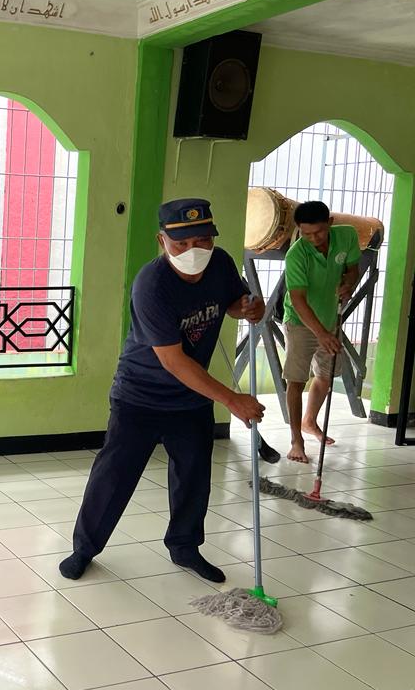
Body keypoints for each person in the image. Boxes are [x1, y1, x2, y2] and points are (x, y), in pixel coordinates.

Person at [59, 198, 265, 583]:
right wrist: (231, 400)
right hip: (140, 397)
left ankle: (185, 547)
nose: (193, 251)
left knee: (193, 477)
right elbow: (173, 360)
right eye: (181, 243)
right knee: (114, 476)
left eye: (202, 240)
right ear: (162, 240)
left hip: (190, 399)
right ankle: (84, 549)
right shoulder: (152, 285)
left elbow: (234, 302)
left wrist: (250, 307)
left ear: (213, 238)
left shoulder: (220, 264)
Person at [282, 200, 359, 463]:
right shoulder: (296, 255)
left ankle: (310, 421)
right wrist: (322, 334)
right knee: (296, 380)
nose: (314, 238)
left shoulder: (347, 235)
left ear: (330, 223)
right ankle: (296, 440)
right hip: (300, 322)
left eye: (319, 232)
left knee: (325, 376)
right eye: (307, 234)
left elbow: (352, 269)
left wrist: (349, 284)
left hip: (329, 318)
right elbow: (298, 300)